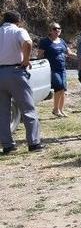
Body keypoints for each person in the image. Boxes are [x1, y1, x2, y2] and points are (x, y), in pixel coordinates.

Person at [0, 11, 44, 154]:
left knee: (3, 112)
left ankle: (8, 145)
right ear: (17, 21)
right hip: (15, 71)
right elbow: (28, 42)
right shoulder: (18, 30)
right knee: (27, 108)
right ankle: (34, 143)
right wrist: (26, 60)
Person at [37, 22, 76, 117]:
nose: (57, 30)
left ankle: (61, 110)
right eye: (54, 28)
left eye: (59, 28)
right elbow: (40, 56)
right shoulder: (44, 42)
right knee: (59, 87)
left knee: (63, 89)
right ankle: (55, 109)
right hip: (51, 69)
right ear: (50, 30)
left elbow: (69, 53)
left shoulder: (62, 41)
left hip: (62, 69)